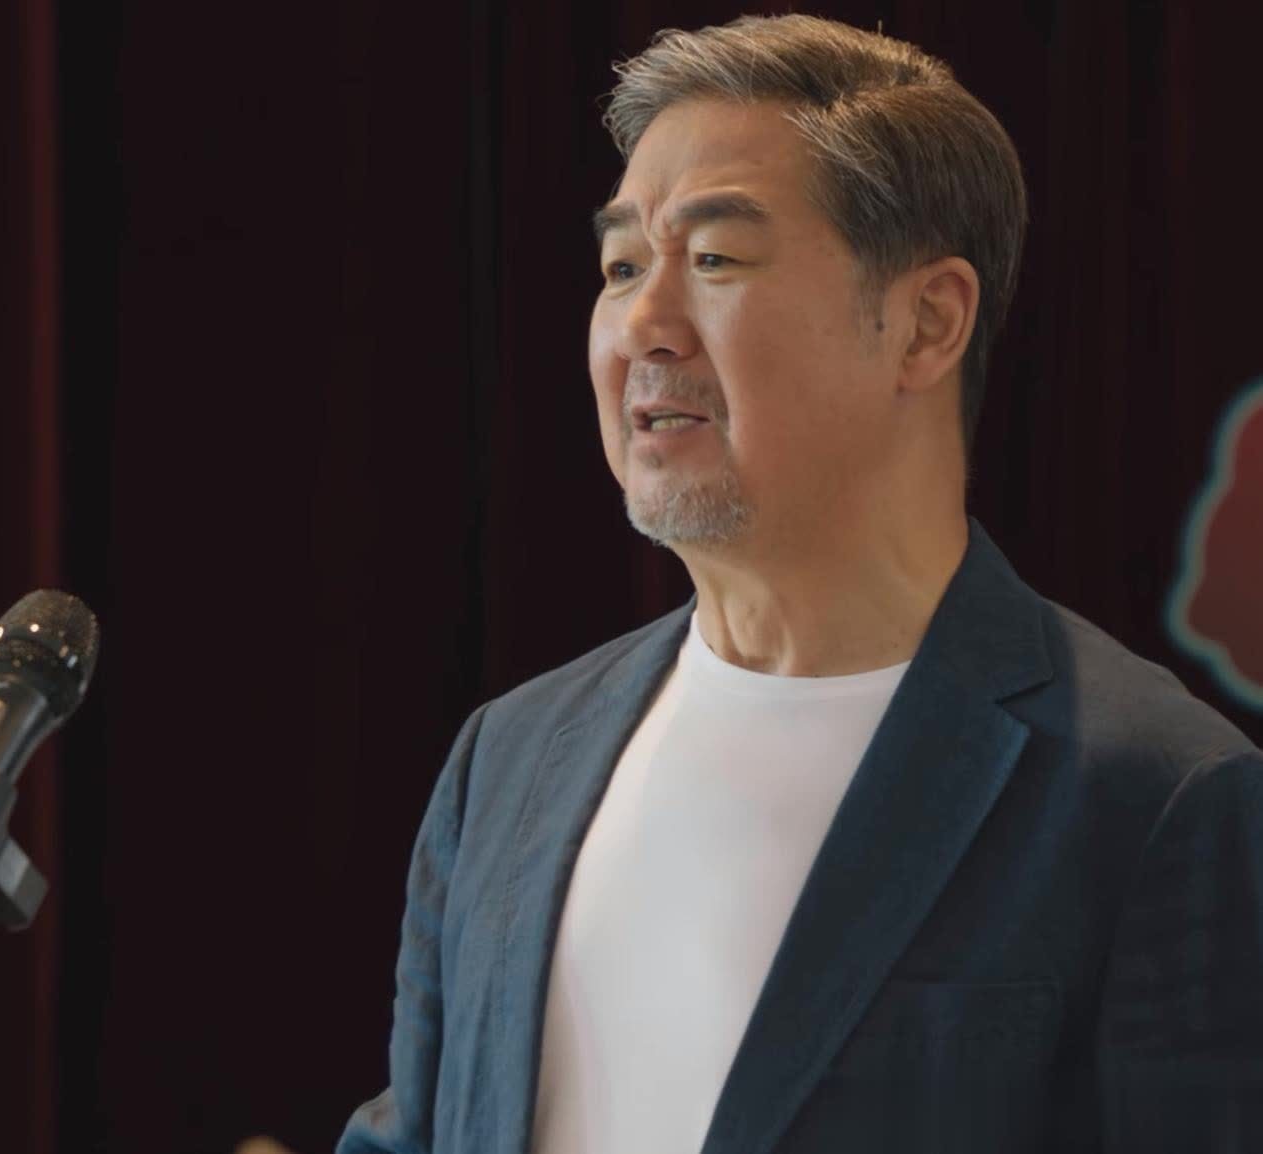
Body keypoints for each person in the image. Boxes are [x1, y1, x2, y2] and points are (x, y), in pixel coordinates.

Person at [339, 14, 1263, 1154]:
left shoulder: (1157, 797)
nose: (642, 326)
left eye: (714, 259)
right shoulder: (508, 759)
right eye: (621, 267)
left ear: (925, 324)